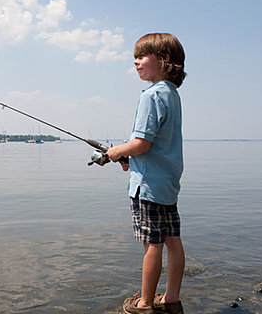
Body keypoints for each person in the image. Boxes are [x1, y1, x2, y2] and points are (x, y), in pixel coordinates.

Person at [106, 33, 186, 314]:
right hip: (166, 182)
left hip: (148, 187)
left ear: (163, 60)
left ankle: (144, 303)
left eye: (141, 57)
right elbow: (157, 144)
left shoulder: (151, 96)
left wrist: (114, 152)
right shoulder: (172, 95)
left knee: (152, 245)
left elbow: (142, 142)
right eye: (134, 59)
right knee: (172, 241)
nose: (136, 63)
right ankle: (171, 298)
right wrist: (131, 157)